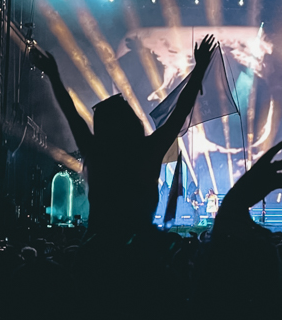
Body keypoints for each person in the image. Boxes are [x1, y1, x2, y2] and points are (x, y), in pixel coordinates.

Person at [30, 34, 216, 233]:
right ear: (131, 122)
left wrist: (53, 76)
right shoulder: (148, 151)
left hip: (100, 251)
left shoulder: (97, 153)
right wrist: (199, 69)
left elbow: (71, 113)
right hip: (139, 252)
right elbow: (181, 111)